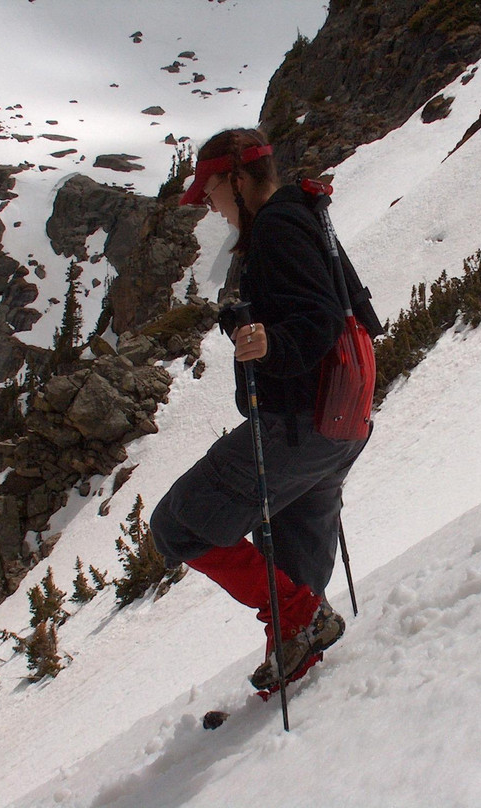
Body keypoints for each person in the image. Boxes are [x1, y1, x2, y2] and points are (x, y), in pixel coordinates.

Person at [150, 127, 370, 691]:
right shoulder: (307, 215)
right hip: (341, 424)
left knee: (177, 525)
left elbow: (318, 318)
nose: (209, 204)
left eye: (212, 191)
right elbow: (359, 313)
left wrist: (273, 343)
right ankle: (299, 665)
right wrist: (248, 321)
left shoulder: (275, 226)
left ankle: (301, 619)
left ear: (237, 179)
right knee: (294, 559)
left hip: (296, 425)